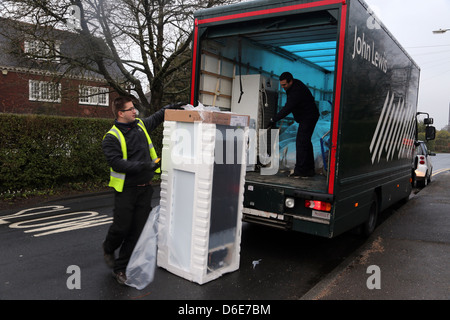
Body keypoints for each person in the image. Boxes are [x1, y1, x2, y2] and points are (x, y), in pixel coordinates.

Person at [102, 96, 183, 285]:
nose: (134, 112)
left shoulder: (140, 125)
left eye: (134, 108)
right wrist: (144, 166)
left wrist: (172, 106)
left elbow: (157, 117)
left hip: (144, 189)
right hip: (126, 190)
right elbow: (117, 163)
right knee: (121, 227)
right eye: (130, 109)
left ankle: (120, 268)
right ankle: (108, 247)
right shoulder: (111, 137)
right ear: (120, 113)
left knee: (137, 231)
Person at [268, 72, 319, 178]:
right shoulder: (292, 86)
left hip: (309, 116)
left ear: (290, 81)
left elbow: (288, 108)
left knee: (301, 142)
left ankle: (300, 171)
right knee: (306, 142)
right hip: (308, 116)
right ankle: (309, 170)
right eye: (281, 85)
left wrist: (274, 119)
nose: (283, 88)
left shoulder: (296, 91)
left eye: (284, 85)